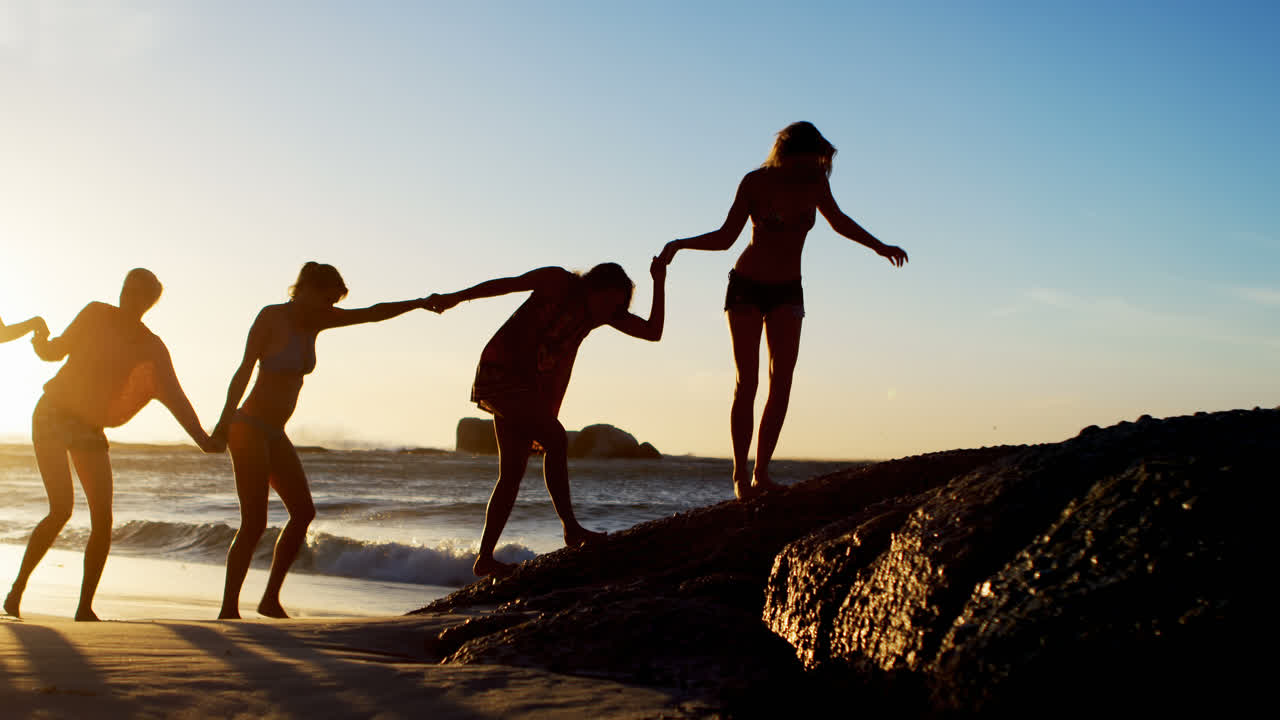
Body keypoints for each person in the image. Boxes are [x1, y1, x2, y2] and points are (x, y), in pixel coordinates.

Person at [657, 121, 908, 500]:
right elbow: (726, 237)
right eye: (804, 159)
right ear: (785, 153)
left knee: (783, 380)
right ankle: (740, 475)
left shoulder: (816, 183)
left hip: (789, 290)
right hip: (746, 286)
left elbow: (838, 222)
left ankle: (762, 473)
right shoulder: (755, 182)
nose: (810, 166)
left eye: (816, 159)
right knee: (748, 382)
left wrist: (879, 246)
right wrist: (679, 245)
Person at [210, 262, 429, 619]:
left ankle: (269, 599)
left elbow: (372, 314)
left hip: (274, 432)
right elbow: (244, 369)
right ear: (306, 288)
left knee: (303, 512)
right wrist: (222, 424)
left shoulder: (318, 321)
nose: (330, 308)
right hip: (248, 426)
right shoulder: (271, 317)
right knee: (254, 522)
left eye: (333, 302)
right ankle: (228, 609)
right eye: (326, 299)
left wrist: (419, 302)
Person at [425, 258, 667, 577]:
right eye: (610, 302)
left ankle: (484, 558)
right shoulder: (557, 282)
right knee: (555, 438)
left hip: (527, 389)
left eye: (617, 307)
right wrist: (455, 297)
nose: (611, 312)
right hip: (501, 373)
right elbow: (505, 284)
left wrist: (659, 281)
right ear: (596, 286)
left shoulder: (598, 316)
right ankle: (571, 528)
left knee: (512, 473)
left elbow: (652, 332)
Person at [4, 269, 219, 621]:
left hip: (88, 427)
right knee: (61, 510)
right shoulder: (95, 313)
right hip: (52, 414)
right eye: (126, 289)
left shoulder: (151, 346)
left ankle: (84, 606)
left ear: (149, 302)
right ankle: (17, 591)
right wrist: (37, 331)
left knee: (103, 519)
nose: (128, 297)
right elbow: (54, 352)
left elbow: (176, 398)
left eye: (137, 294)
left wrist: (204, 440)